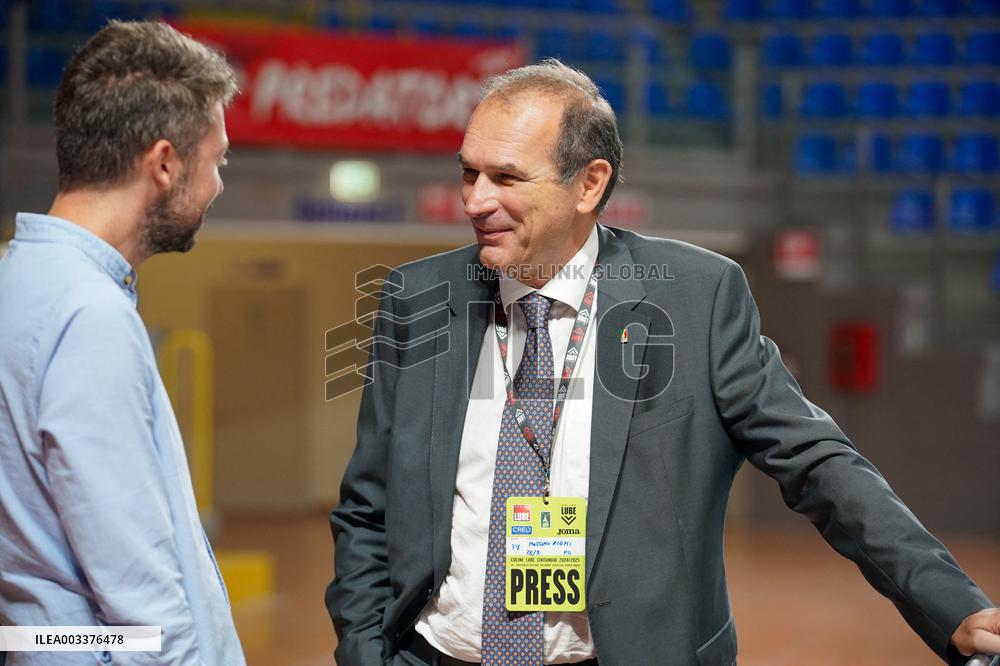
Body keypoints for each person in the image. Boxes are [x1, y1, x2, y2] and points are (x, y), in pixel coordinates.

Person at [326, 60, 999, 665]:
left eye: (505, 177)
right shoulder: (417, 298)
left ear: (589, 185)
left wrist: (950, 603)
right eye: (468, 172)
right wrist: (364, 650)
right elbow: (367, 504)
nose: (474, 200)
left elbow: (820, 464)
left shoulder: (695, 298)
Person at [0, 20, 244, 665]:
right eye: (217, 159)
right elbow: (143, 608)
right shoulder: (88, 315)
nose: (219, 183)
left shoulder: (16, 280)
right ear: (164, 163)